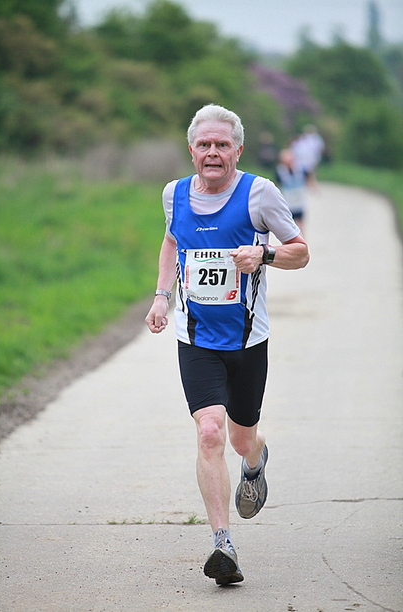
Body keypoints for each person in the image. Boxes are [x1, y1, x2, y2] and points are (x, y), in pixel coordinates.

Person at [145, 104, 309, 586]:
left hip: (247, 341)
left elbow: (300, 252)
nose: (212, 152)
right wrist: (161, 296)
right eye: (204, 144)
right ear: (191, 150)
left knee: (240, 438)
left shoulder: (260, 193)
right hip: (195, 338)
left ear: (237, 150)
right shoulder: (174, 194)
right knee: (210, 432)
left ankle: (255, 461)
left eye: (222, 144)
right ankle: (223, 544)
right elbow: (172, 241)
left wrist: (265, 253)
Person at [275, 148, 312, 234]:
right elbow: (277, 184)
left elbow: (308, 178)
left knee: (300, 223)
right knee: (289, 223)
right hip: (287, 200)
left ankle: (301, 238)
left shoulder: (300, 169)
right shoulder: (280, 171)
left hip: (299, 200)